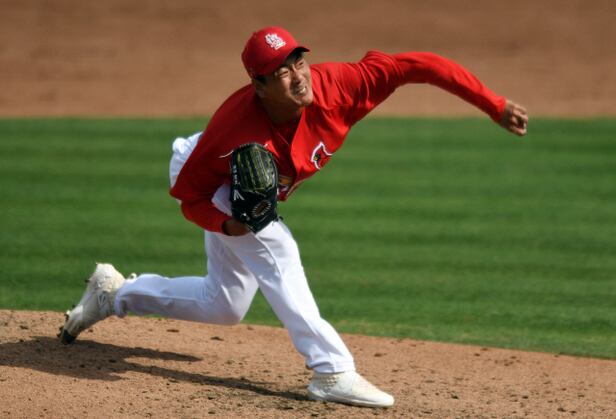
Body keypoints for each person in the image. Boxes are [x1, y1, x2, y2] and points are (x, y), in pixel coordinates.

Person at [59, 26, 528, 408]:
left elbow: (419, 65)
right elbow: (189, 197)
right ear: (259, 86)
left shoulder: (341, 84)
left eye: (298, 62)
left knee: (224, 305)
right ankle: (331, 371)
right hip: (210, 176)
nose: (297, 76)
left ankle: (114, 294)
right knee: (276, 246)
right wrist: (229, 224)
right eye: (281, 72)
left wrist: (493, 104)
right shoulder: (232, 131)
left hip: (233, 184)